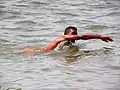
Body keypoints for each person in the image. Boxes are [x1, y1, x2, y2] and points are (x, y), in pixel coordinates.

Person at [21, 26, 113, 53]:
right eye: (73, 34)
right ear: (66, 34)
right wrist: (100, 36)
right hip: (35, 52)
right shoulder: (62, 38)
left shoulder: (69, 44)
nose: (75, 36)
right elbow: (83, 37)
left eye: (76, 34)